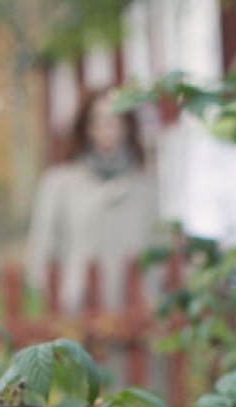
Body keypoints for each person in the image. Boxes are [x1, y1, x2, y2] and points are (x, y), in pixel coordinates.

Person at [26, 88, 160, 313]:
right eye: (98, 120)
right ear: (85, 127)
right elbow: (41, 252)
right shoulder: (59, 184)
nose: (107, 129)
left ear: (128, 127)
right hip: (77, 314)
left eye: (115, 120)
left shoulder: (146, 188)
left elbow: (159, 251)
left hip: (134, 317)